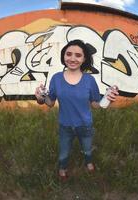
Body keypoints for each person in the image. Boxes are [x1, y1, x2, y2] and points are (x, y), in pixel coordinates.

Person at [35, 39, 119, 180]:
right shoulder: (56, 78)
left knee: (87, 149)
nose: (72, 58)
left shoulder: (89, 80)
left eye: (78, 55)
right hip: (65, 126)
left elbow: (95, 104)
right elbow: (50, 103)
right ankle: (62, 169)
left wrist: (107, 100)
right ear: (63, 56)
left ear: (84, 58)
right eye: (68, 54)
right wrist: (41, 98)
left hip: (85, 125)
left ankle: (89, 162)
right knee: (64, 152)